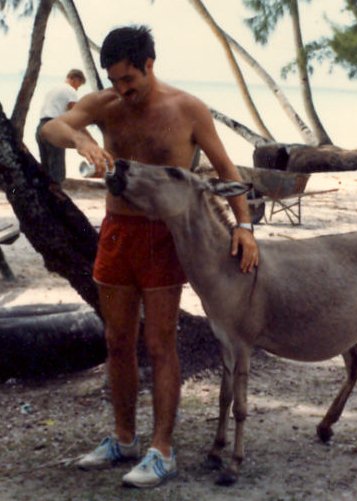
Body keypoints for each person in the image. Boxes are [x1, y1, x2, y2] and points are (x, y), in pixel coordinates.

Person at [41, 25, 259, 489]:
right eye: (114, 80)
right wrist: (80, 140)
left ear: (149, 65)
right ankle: (123, 438)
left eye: (129, 80)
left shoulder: (187, 109)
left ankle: (162, 450)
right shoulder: (104, 104)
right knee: (117, 340)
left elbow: (225, 168)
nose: (123, 90)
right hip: (118, 233)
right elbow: (51, 126)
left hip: (165, 237)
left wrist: (244, 227)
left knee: (160, 345)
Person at [36, 68, 86, 185]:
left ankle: (45, 200)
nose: (77, 88)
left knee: (46, 169)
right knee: (57, 172)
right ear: (75, 79)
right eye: (79, 85)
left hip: (41, 127)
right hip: (54, 128)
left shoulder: (53, 90)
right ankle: (55, 200)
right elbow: (75, 115)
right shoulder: (70, 91)